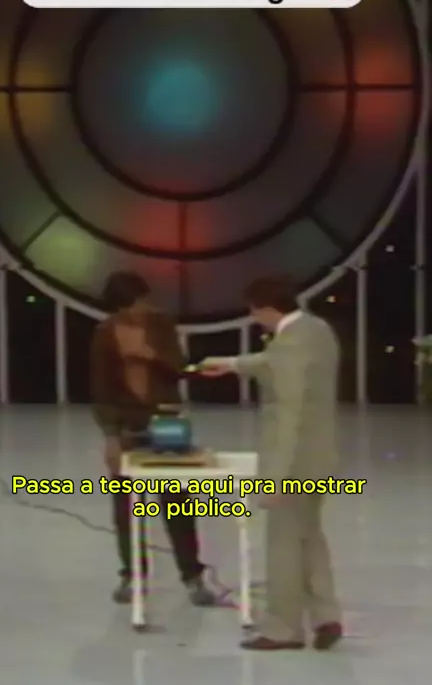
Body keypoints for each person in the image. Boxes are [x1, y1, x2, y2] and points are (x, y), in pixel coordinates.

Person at [201, 275, 342, 651]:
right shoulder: (316, 330)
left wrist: (275, 478)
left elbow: (289, 413)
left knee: (283, 544)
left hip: (293, 462)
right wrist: (232, 364)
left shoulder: (290, 340)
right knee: (309, 537)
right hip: (319, 458)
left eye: (254, 313)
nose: (255, 320)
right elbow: (273, 362)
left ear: (265, 308)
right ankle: (326, 615)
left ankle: (283, 628)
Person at [90, 271, 216, 606]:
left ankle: (193, 576)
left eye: (143, 302)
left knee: (177, 501)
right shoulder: (104, 333)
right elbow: (101, 388)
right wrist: (110, 435)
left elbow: (180, 369)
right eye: (133, 305)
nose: (141, 310)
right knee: (126, 504)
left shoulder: (162, 325)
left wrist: (150, 354)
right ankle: (132, 575)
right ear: (119, 307)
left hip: (165, 419)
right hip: (126, 423)